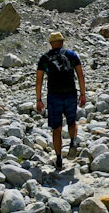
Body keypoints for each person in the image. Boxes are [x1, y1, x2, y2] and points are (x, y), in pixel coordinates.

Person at [36, 31, 86, 170]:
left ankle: (58, 158)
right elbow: (80, 75)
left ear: (51, 44)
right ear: (62, 42)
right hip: (70, 93)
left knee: (56, 128)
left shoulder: (45, 58)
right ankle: (73, 142)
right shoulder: (72, 55)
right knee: (72, 121)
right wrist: (83, 94)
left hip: (54, 96)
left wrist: (39, 99)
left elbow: (39, 79)